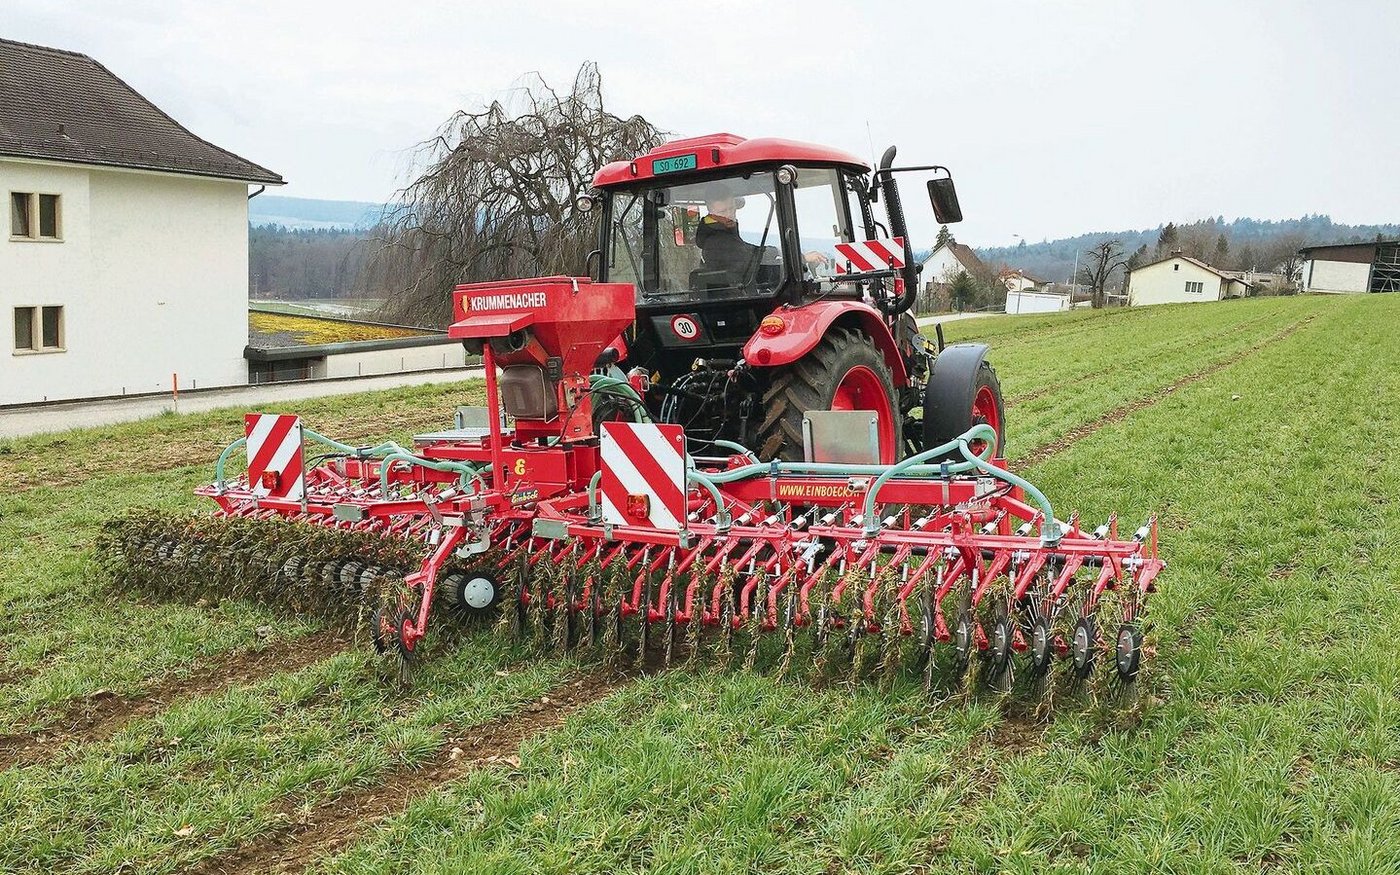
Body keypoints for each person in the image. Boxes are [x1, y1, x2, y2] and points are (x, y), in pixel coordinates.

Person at [695, 182, 829, 288]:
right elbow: (753, 259)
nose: (730, 213)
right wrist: (800, 259)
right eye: (723, 211)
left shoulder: (718, 233)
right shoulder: (716, 241)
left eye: (731, 207)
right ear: (711, 212)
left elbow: (748, 253)